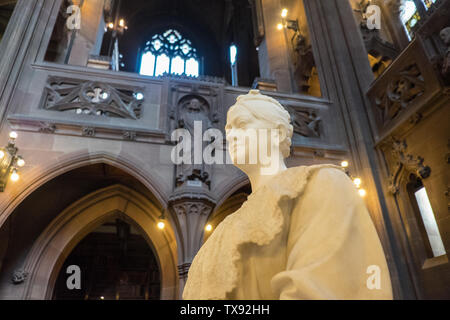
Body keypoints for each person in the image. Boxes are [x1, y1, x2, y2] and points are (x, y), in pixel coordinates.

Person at [183, 90, 393, 299]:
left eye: (242, 124)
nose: (231, 135)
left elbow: (323, 289)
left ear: (278, 133)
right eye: (228, 129)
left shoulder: (321, 184)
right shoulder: (220, 232)